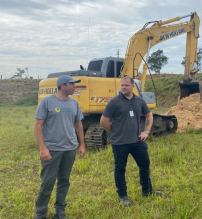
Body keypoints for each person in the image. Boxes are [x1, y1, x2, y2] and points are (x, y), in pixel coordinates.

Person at [100, 76, 161, 207]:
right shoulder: (114, 102)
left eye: (126, 85)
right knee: (120, 169)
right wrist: (115, 132)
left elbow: (149, 115)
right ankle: (123, 196)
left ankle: (147, 190)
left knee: (145, 164)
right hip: (120, 143)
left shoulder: (139, 101)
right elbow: (103, 121)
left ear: (133, 86)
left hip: (137, 140)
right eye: (122, 85)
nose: (123, 87)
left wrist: (146, 131)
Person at [34, 75, 85, 219]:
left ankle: (59, 211)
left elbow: (78, 125)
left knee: (64, 181)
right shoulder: (47, 102)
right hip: (52, 150)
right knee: (48, 182)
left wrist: (82, 144)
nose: (74, 86)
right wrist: (43, 148)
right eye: (72, 84)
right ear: (63, 85)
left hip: (70, 149)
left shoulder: (74, 103)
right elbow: (38, 125)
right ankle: (40, 212)